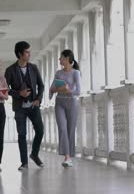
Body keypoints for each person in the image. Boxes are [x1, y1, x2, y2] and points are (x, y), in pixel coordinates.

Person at [4, 41, 45, 170]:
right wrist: (18, 93)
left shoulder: (33, 68)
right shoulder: (10, 70)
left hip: (34, 106)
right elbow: (5, 89)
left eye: (29, 51)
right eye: (27, 52)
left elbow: (41, 85)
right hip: (19, 107)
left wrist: (38, 99)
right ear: (20, 54)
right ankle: (24, 163)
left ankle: (34, 154)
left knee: (40, 130)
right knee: (22, 134)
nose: (29, 54)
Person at [49, 50, 81, 167]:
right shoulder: (58, 73)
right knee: (62, 129)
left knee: (70, 130)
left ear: (67, 59)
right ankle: (67, 157)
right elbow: (52, 89)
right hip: (60, 103)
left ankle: (69, 157)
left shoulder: (75, 73)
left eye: (61, 58)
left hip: (72, 103)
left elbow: (78, 91)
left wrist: (68, 91)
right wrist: (57, 90)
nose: (59, 60)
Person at [0, 62, 8, 172]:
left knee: (0, 137)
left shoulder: (2, 78)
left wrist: (2, 95)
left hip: (0, 107)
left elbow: (6, 96)